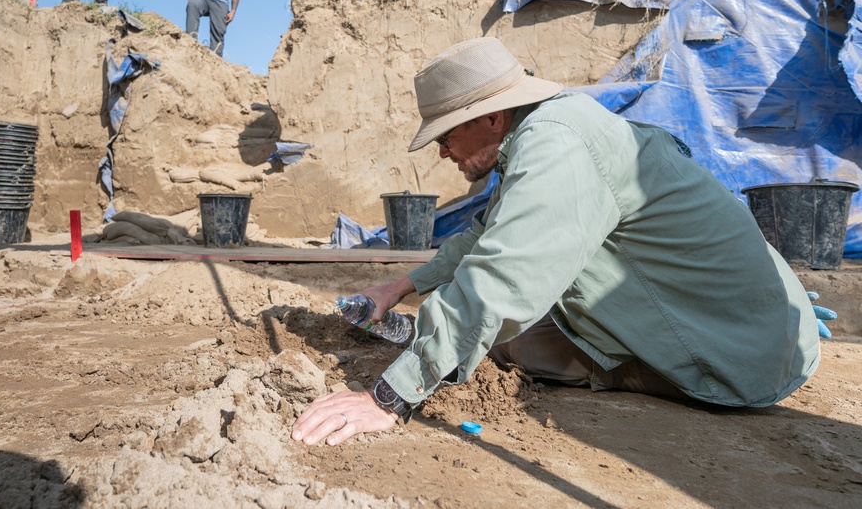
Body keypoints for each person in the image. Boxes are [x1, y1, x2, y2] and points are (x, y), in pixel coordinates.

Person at [292, 36, 821, 447]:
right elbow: (486, 233)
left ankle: (432, 344)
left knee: (501, 334)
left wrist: (389, 397)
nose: (443, 153)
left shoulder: (556, 144)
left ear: (493, 117)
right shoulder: (549, 128)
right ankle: (434, 336)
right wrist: (400, 285)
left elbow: (505, 275)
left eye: (447, 135)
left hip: (735, 360)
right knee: (489, 333)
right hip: (750, 327)